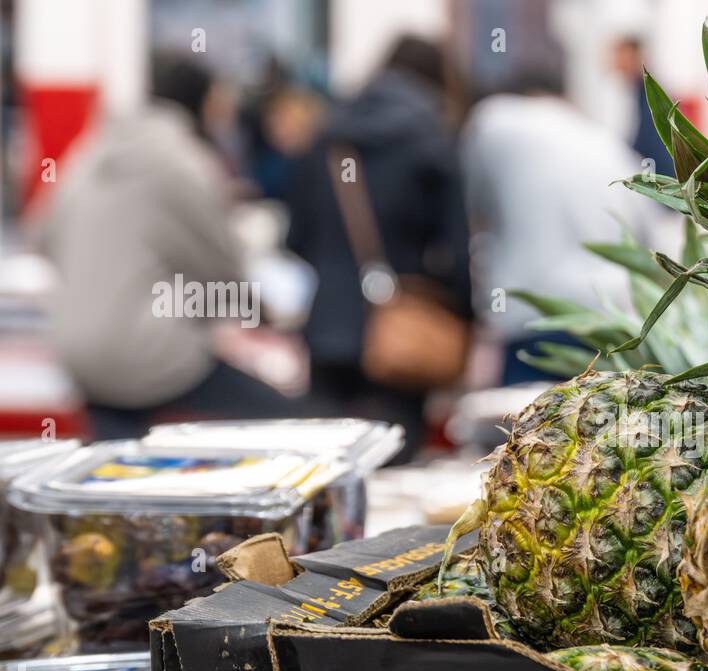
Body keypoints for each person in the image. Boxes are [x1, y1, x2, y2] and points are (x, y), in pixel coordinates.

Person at [34, 55, 307, 440]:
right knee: (289, 424)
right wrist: (265, 316)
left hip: (79, 355)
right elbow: (224, 267)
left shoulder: (89, 151)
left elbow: (42, 235)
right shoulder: (182, 160)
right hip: (151, 357)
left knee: (116, 469)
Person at [286, 36, 472, 462]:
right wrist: (459, 316)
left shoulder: (327, 136)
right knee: (396, 469)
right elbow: (458, 251)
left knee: (325, 471)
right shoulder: (432, 140)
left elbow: (295, 237)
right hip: (401, 333)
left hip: (328, 329)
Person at [460, 37, 658, 384]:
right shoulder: (600, 138)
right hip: (613, 320)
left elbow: (469, 211)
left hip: (534, 317)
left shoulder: (493, 121)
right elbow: (648, 230)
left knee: (525, 430)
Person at [609, 35, 673, 177]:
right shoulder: (635, 91)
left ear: (632, 55)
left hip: (659, 177)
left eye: (619, 53)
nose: (614, 59)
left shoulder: (651, 94)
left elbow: (650, 144)